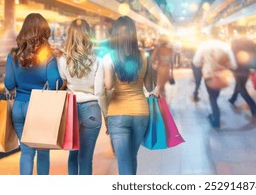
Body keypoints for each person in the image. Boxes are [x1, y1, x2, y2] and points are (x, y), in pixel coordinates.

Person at [4, 13, 63, 175]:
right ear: (44, 31)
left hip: (19, 109)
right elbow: (54, 83)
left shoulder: (13, 54)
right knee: (43, 153)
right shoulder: (47, 55)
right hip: (39, 109)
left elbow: (9, 84)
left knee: (26, 152)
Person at [102, 16, 155, 175]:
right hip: (141, 113)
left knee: (124, 162)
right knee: (132, 158)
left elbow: (109, 85)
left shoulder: (109, 57)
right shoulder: (144, 56)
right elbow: (149, 86)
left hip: (118, 114)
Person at [57, 19, 104, 175]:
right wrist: (107, 116)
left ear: (69, 35)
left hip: (71, 109)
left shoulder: (62, 60)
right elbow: (98, 91)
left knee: (73, 155)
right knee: (86, 158)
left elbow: (62, 82)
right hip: (92, 109)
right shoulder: (97, 60)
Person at [192, 28, 237, 128]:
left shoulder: (204, 45)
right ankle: (214, 115)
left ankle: (216, 119)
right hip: (221, 76)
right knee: (215, 96)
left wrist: (204, 63)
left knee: (212, 97)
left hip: (209, 74)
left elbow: (196, 61)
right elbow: (233, 65)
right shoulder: (225, 46)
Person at [228, 36, 256, 117]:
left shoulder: (234, 47)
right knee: (240, 85)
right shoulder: (250, 47)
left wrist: (230, 68)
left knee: (241, 89)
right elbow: (255, 57)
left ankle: (254, 108)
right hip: (247, 70)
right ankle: (232, 99)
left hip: (238, 70)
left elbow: (231, 58)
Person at [150, 34, 173, 98]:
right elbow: (171, 62)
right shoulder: (170, 49)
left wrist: (154, 63)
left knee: (160, 87)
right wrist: (171, 73)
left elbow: (152, 59)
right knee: (162, 86)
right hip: (167, 69)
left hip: (160, 69)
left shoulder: (158, 49)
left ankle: (161, 103)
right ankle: (163, 97)